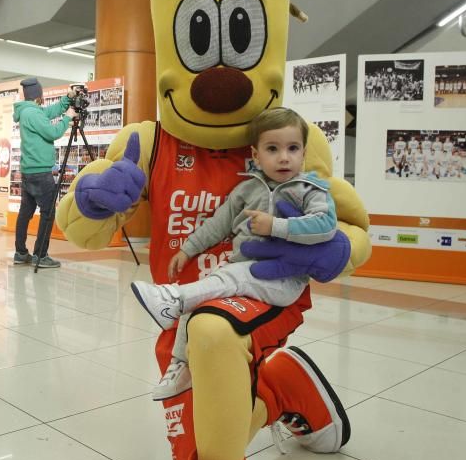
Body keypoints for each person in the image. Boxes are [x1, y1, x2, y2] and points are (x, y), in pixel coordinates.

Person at [131, 109, 337, 400]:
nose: (284, 157)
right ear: (256, 154)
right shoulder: (246, 189)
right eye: (272, 149)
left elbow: (326, 224)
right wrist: (187, 249)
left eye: (293, 148)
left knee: (232, 277)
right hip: (243, 269)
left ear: (304, 152)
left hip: (283, 279)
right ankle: (181, 366)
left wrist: (276, 226)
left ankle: (173, 299)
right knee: (201, 304)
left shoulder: (309, 189)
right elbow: (218, 223)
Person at [12, 78, 76, 268]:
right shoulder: (33, 113)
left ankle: (20, 252)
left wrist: (68, 99)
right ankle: (40, 255)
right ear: (37, 95)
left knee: (25, 212)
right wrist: (68, 118)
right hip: (40, 173)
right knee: (48, 213)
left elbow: (50, 111)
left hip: (29, 172)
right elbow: (53, 133)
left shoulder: (28, 111)